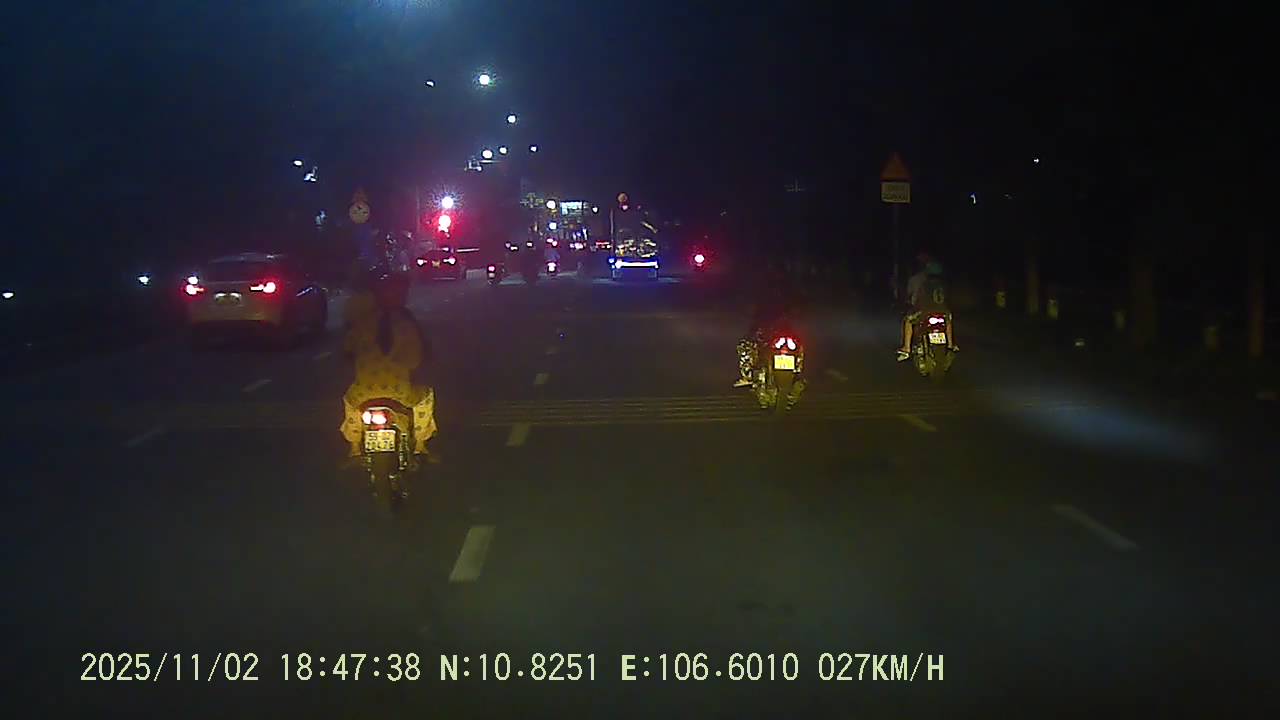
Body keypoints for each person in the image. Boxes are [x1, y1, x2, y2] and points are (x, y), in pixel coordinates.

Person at [339, 271, 438, 463]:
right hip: (400, 391)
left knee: (350, 402)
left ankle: (354, 448)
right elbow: (418, 355)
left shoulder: (362, 321)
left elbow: (348, 349)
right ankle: (420, 445)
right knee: (425, 397)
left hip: (363, 391)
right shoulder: (406, 321)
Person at [897, 252, 958, 361]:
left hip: (925, 311)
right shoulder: (943, 285)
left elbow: (919, 300)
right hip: (943, 312)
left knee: (908, 321)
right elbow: (949, 299)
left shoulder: (925, 284)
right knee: (948, 321)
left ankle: (906, 349)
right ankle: (950, 344)